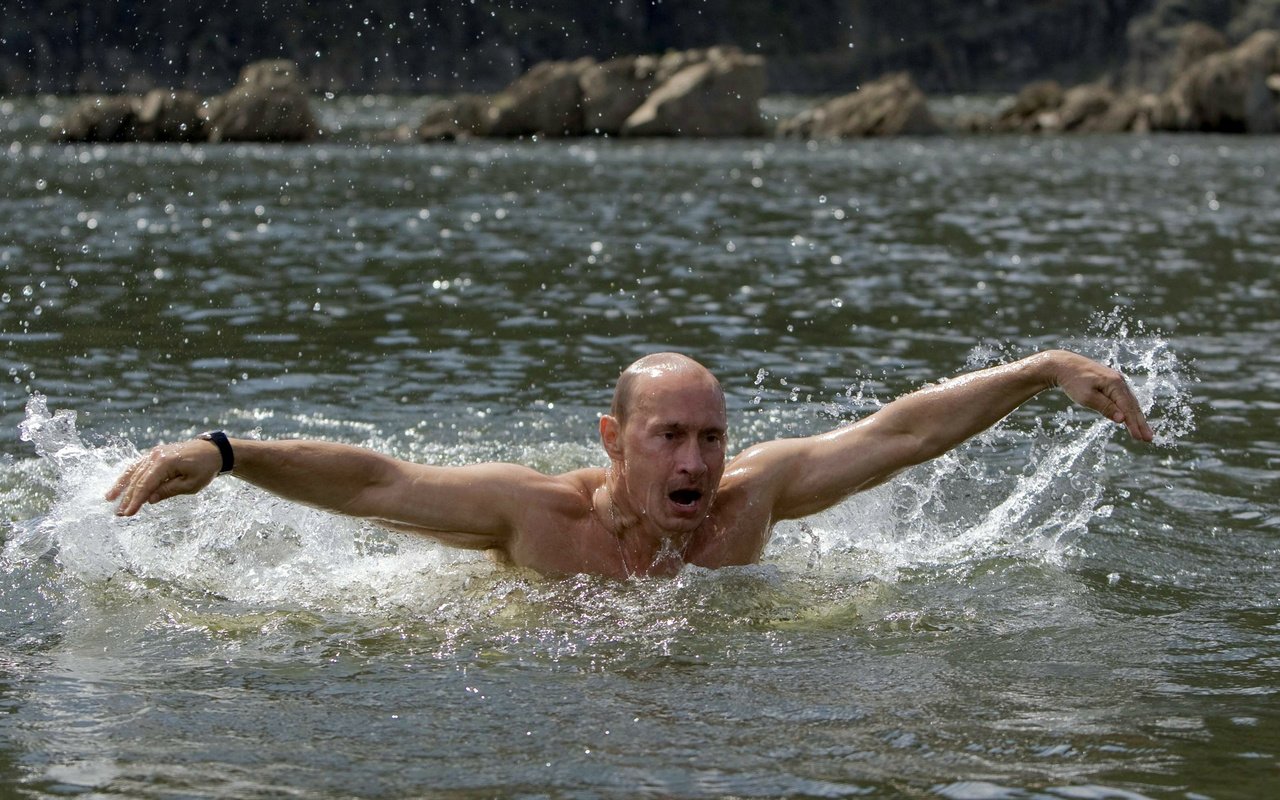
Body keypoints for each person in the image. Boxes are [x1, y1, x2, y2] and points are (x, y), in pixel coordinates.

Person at [107, 349, 1153, 579]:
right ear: (611, 441)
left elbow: (899, 432)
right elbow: (378, 481)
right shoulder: (532, 516)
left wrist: (1044, 369)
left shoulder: (751, 504)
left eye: (709, 435)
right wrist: (226, 451)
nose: (696, 458)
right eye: (669, 435)